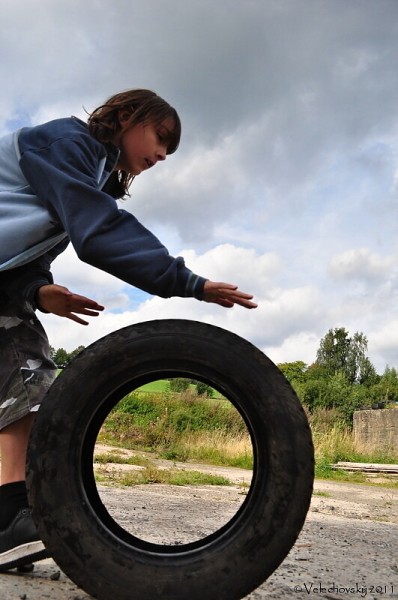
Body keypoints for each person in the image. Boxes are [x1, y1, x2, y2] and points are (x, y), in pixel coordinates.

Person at [0, 89, 257, 571]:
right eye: (161, 138)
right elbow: (97, 231)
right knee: (27, 371)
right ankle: (12, 515)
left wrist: (37, 292)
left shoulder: (85, 175)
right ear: (125, 116)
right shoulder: (67, 143)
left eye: (169, 151)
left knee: (18, 376)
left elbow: (15, 261)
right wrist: (188, 281)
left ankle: (8, 520)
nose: (162, 155)